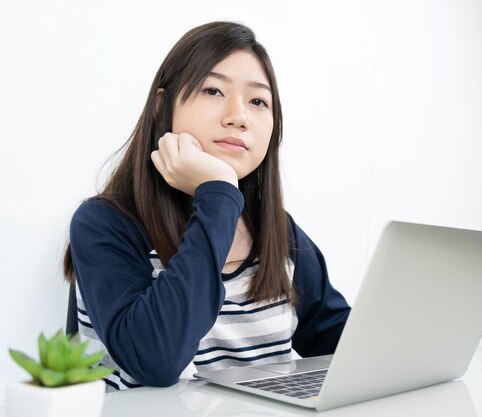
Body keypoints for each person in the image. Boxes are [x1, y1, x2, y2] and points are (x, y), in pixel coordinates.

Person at [63, 21, 351, 392]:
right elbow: (156, 361)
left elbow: (342, 347)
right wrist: (218, 194)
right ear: (161, 107)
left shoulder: (278, 232)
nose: (238, 116)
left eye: (258, 101)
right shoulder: (104, 224)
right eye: (213, 90)